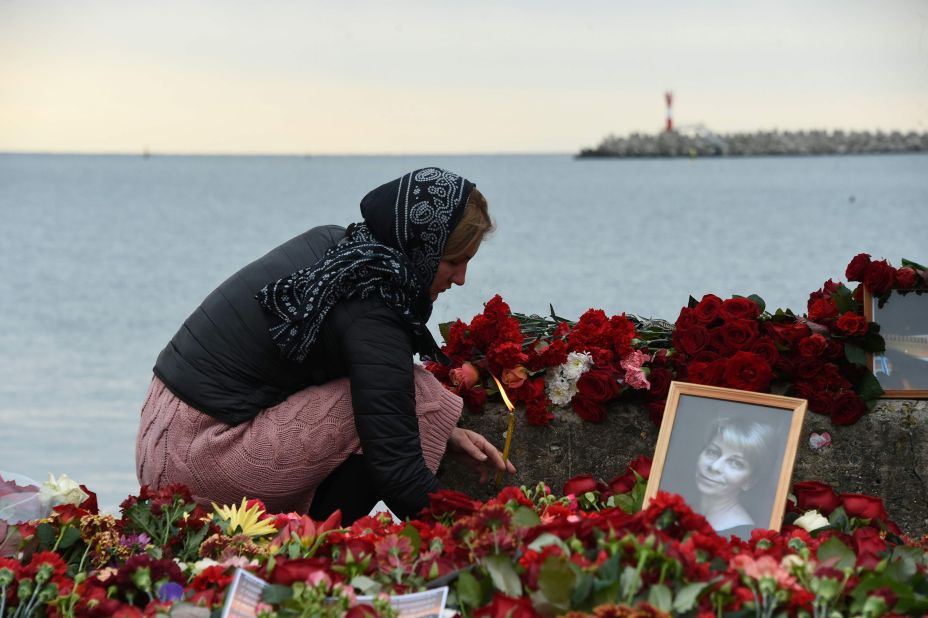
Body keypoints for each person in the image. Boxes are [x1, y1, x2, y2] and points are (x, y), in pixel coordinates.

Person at [136, 167, 515, 524]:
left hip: (162, 437)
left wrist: (443, 429)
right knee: (415, 398)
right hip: (200, 460)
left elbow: (371, 378)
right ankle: (310, 543)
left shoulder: (344, 250)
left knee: (407, 393)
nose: (462, 279)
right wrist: (486, 533)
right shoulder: (374, 301)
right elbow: (398, 473)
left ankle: (303, 538)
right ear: (423, 249)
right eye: (453, 262)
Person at [691, 417, 775, 540]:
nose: (715, 466)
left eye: (736, 463)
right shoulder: (679, 511)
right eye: (713, 452)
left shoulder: (743, 538)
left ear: (750, 481)